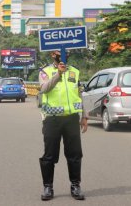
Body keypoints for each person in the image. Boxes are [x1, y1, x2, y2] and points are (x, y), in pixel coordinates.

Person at [38, 50, 88, 201]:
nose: (62, 54)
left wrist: (84, 115)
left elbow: (79, 94)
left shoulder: (74, 72)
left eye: (65, 51)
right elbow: (44, 88)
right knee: (49, 155)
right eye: (57, 52)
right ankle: (48, 187)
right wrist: (58, 74)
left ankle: (75, 186)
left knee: (75, 154)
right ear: (52, 55)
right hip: (52, 119)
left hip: (71, 119)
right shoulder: (45, 71)